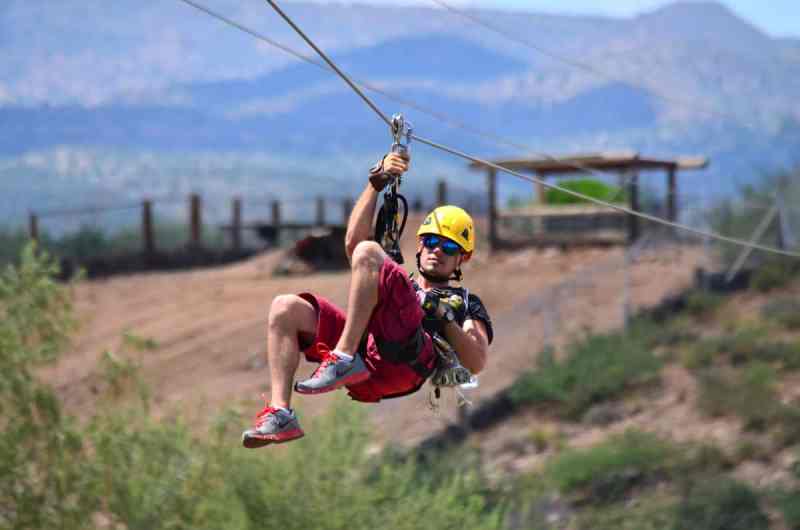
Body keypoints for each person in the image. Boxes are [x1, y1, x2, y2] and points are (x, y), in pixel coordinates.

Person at [242, 151, 494, 448]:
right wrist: (375, 184)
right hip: (369, 362)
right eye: (431, 241)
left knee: (369, 252)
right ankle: (281, 413)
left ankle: (343, 358)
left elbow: (476, 361)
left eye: (448, 247)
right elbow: (353, 244)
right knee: (285, 307)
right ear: (421, 244)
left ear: (462, 257)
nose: (437, 251)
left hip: (406, 362)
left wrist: (444, 316)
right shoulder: (400, 285)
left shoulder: (465, 302)